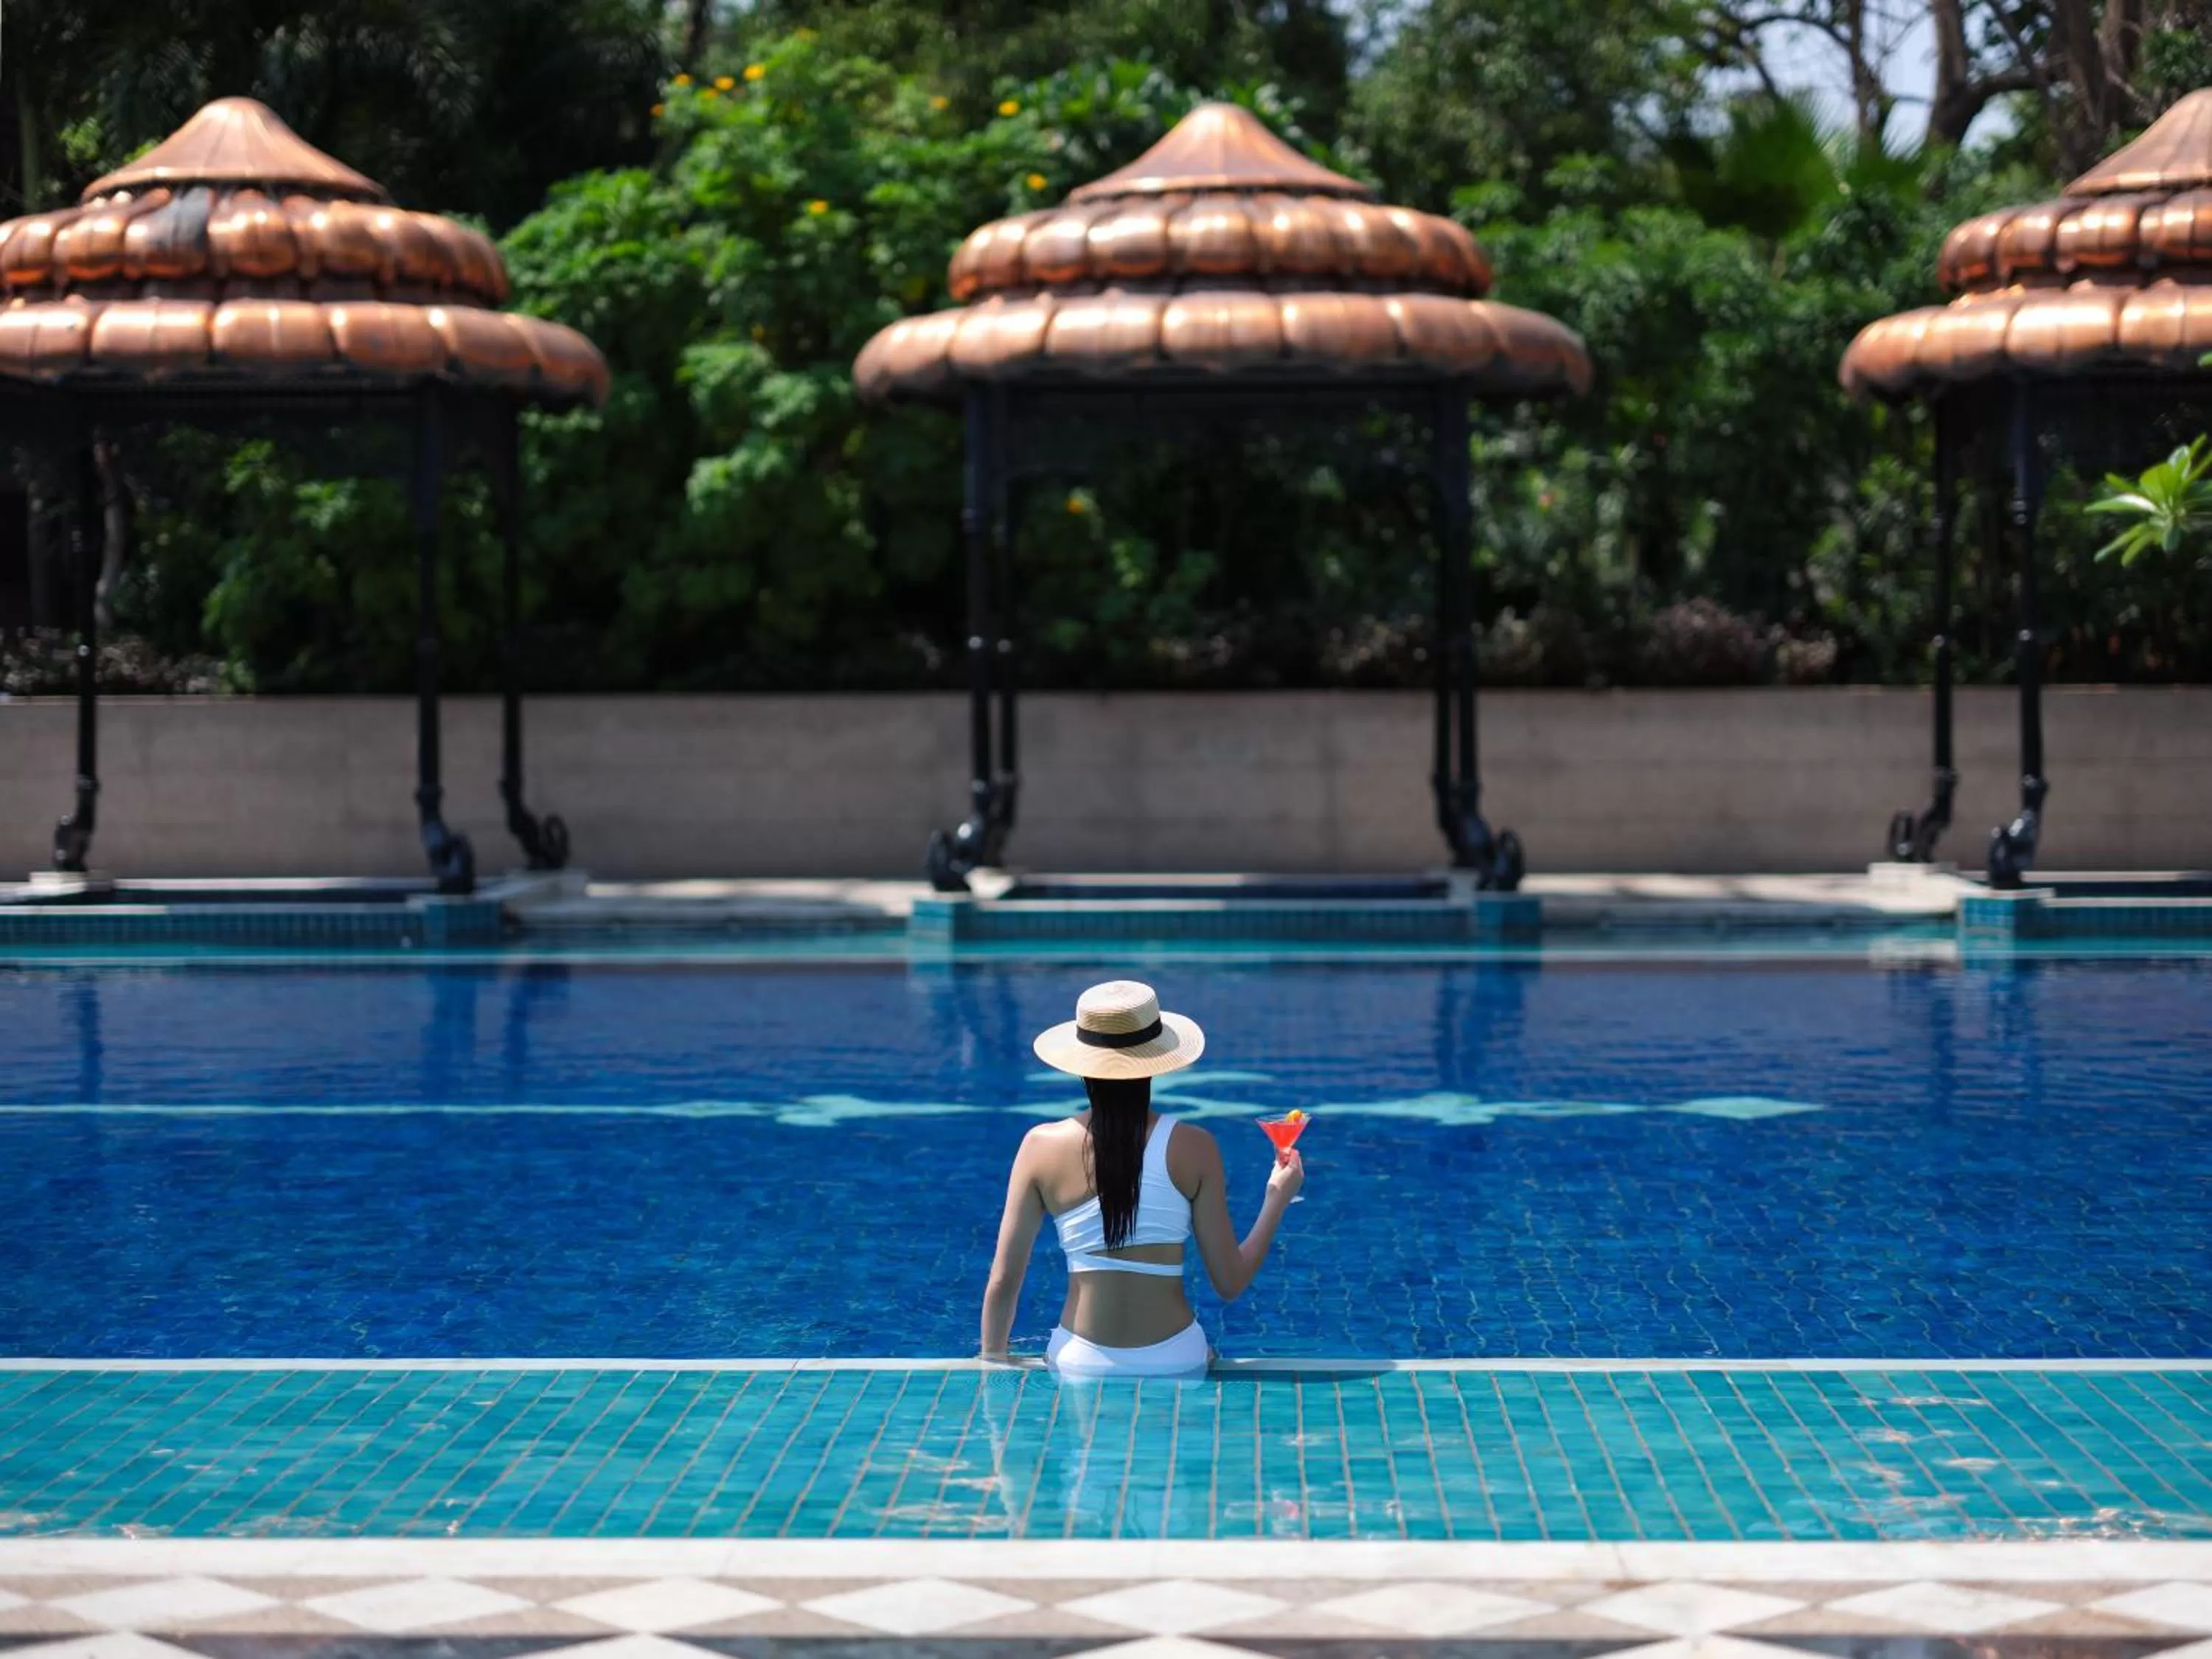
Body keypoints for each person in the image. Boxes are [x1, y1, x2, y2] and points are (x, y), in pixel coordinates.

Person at [979, 979, 1304, 1379]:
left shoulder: (1039, 1147)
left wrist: (992, 1363)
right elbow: (1229, 1282)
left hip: (1079, 1358)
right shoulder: (1195, 1146)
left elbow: (1004, 1279)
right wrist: (1277, 1198)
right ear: (1156, 1062)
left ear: (1081, 1065)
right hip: (1177, 1356)